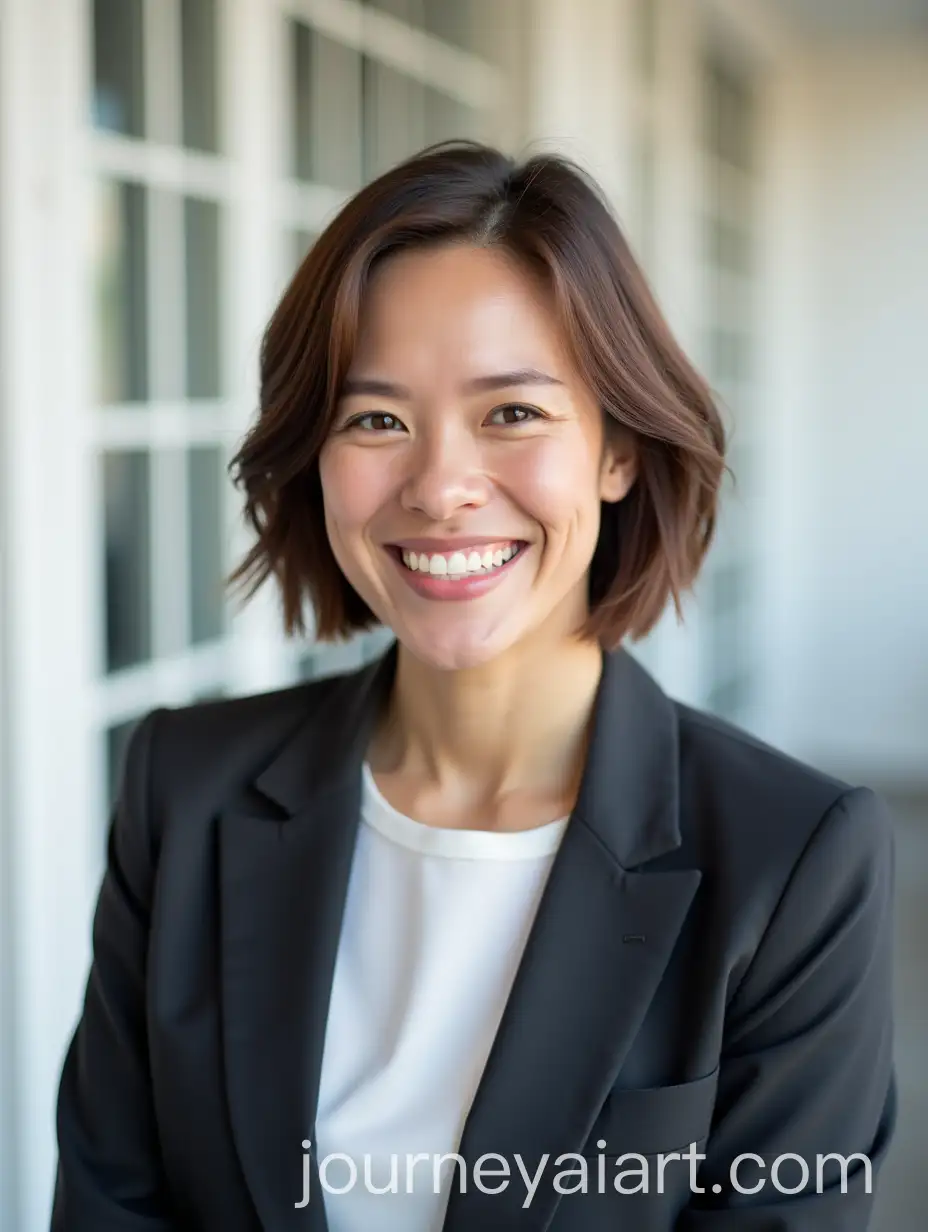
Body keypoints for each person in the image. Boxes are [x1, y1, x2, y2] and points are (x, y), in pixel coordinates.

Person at [51, 142, 895, 1232]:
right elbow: (113, 1200)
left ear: (618, 449)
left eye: (512, 414)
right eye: (376, 420)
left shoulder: (794, 858)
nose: (441, 487)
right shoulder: (184, 786)